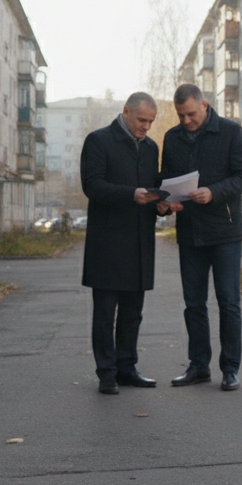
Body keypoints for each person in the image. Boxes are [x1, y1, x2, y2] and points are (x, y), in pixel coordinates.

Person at [160, 84, 242, 391]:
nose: (186, 120)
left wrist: (213, 192)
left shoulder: (230, 131)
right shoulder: (172, 138)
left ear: (205, 104)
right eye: (180, 115)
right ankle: (199, 366)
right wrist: (165, 202)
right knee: (194, 304)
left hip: (225, 232)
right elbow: (166, 182)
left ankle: (230, 369)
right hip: (189, 233)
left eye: (190, 113)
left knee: (228, 303)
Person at [80, 92, 172, 395]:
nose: (146, 127)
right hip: (106, 243)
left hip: (139, 242)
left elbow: (152, 187)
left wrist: (161, 204)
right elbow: (92, 185)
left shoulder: (150, 148)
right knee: (105, 313)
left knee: (133, 312)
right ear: (126, 112)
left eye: (151, 122)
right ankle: (106, 372)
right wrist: (131, 194)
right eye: (142, 120)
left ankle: (127, 367)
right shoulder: (98, 141)